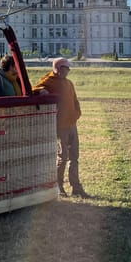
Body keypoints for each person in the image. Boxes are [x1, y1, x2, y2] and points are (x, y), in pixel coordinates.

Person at [33, 58, 88, 198]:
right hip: (60, 126)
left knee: (74, 157)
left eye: (69, 69)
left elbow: (75, 101)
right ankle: (58, 187)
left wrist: (76, 114)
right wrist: (41, 91)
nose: (68, 71)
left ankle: (76, 187)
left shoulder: (69, 83)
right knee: (62, 157)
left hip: (71, 124)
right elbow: (34, 88)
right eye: (66, 68)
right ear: (57, 68)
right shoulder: (49, 80)